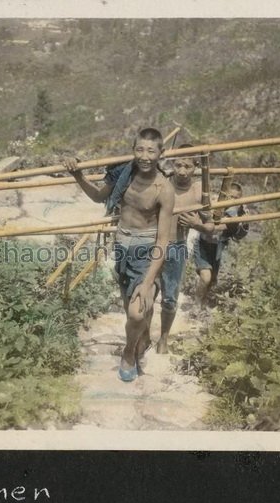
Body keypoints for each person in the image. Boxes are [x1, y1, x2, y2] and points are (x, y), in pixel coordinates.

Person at [63, 128, 175, 382]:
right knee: (132, 312)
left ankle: (127, 352)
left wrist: (147, 283)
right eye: (139, 150)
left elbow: (163, 241)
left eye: (151, 150)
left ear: (161, 153)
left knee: (136, 312)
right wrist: (78, 175)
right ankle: (141, 337)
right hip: (122, 249)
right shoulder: (124, 174)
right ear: (133, 150)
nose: (145, 156)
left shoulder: (163, 189)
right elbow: (97, 196)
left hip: (146, 253)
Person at [155, 145, 215, 354]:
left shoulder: (200, 190)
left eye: (187, 166)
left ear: (196, 167)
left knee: (170, 298)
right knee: (145, 292)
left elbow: (211, 227)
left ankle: (163, 338)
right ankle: (142, 335)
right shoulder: (161, 183)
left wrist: (196, 223)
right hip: (152, 245)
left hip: (177, 247)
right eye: (178, 165)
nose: (181, 171)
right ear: (172, 164)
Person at [193, 182, 249, 308]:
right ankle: (196, 303)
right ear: (224, 196)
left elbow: (239, 234)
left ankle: (203, 302)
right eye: (230, 197)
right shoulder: (215, 203)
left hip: (217, 247)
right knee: (206, 277)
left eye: (236, 198)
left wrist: (243, 222)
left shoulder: (239, 212)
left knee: (212, 281)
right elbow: (207, 224)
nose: (232, 200)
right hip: (203, 244)